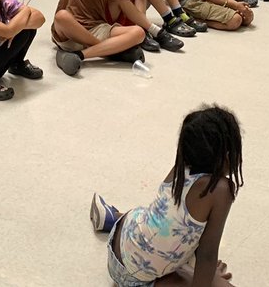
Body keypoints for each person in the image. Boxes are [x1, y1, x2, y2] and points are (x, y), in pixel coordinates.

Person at [91, 105, 243, 287]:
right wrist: (211, 279)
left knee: (158, 220)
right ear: (227, 155)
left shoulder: (183, 163)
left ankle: (111, 218)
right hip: (138, 280)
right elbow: (207, 254)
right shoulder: (221, 190)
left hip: (121, 237)